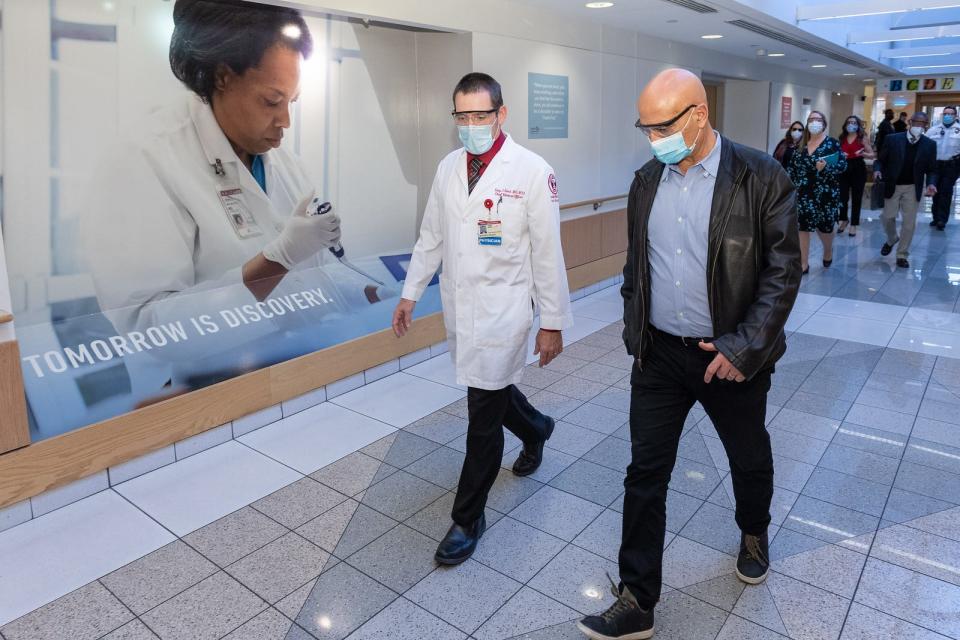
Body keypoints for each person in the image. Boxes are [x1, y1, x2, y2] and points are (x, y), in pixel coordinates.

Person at [576, 68, 801, 640]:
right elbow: (638, 268)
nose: (654, 139)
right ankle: (636, 599)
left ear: (699, 115)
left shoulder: (760, 176)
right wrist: (636, 332)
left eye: (663, 126)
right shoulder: (646, 182)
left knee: (747, 456)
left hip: (727, 357)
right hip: (659, 358)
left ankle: (753, 530)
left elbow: (782, 273)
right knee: (644, 473)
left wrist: (744, 346)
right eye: (646, 128)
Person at [82, 0, 390, 378]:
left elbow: (314, 273)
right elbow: (148, 330)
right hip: (202, 397)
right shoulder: (144, 158)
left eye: (292, 102)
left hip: (291, 372)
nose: (285, 121)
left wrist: (373, 295)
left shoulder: (279, 161)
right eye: (272, 101)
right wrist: (274, 261)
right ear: (223, 76)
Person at [392, 73, 572, 565]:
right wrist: (411, 292)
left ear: (501, 115)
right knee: (487, 390)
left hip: (504, 312)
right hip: (462, 307)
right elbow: (431, 234)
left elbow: (546, 253)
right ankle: (536, 428)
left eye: (480, 116)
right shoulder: (449, 166)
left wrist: (552, 321)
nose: (471, 126)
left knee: (481, 416)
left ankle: (468, 517)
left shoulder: (532, 171)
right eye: (462, 117)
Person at [874, 112, 938, 269]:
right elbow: (880, 160)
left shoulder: (929, 144)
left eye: (923, 123)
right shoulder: (893, 139)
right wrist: (877, 170)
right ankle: (891, 239)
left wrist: (931, 183)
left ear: (926, 125)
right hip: (893, 185)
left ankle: (902, 254)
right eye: (916, 122)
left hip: (912, 187)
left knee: (909, 224)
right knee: (887, 217)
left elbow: (932, 169)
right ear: (910, 122)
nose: (919, 125)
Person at [786, 111, 846, 274]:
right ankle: (803, 263)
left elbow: (842, 166)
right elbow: (791, 170)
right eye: (811, 120)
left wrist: (826, 167)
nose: (814, 123)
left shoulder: (832, 144)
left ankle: (828, 250)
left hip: (825, 194)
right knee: (802, 228)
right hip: (803, 194)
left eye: (818, 120)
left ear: (824, 124)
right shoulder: (800, 145)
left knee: (825, 228)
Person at [837, 115, 875, 237]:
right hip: (844, 168)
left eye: (854, 122)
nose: (851, 124)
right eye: (849, 122)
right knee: (842, 197)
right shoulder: (842, 137)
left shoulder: (862, 138)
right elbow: (837, 153)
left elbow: (872, 155)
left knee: (857, 198)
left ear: (858, 125)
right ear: (845, 124)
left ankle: (853, 224)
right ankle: (843, 220)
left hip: (858, 168)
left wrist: (862, 153)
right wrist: (840, 154)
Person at [925, 106, 960, 230]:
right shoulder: (933, 130)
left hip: (952, 166)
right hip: (935, 166)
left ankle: (942, 220)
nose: (947, 116)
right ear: (942, 115)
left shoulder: (959, 130)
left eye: (950, 114)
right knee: (934, 190)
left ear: (956, 116)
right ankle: (935, 217)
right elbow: (925, 146)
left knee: (945, 192)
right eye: (945, 113)